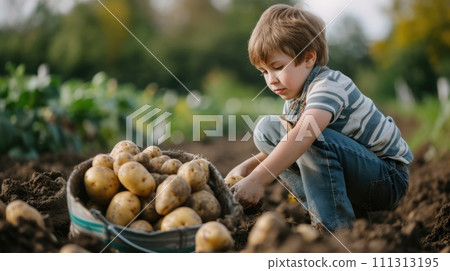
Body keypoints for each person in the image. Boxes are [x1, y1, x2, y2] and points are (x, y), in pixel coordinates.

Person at [227, 3, 413, 232]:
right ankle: (338, 215)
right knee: (269, 131)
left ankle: (334, 227)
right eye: (264, 72)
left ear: (308, 58)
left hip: (387, 178)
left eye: (277, 67)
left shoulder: (328, 85)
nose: (271, 79)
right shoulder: (295, 101)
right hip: (362, 176)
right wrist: (245, 169)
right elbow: (283, 144)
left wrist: (257, 180)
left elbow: (303, 135)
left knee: (305, 134)